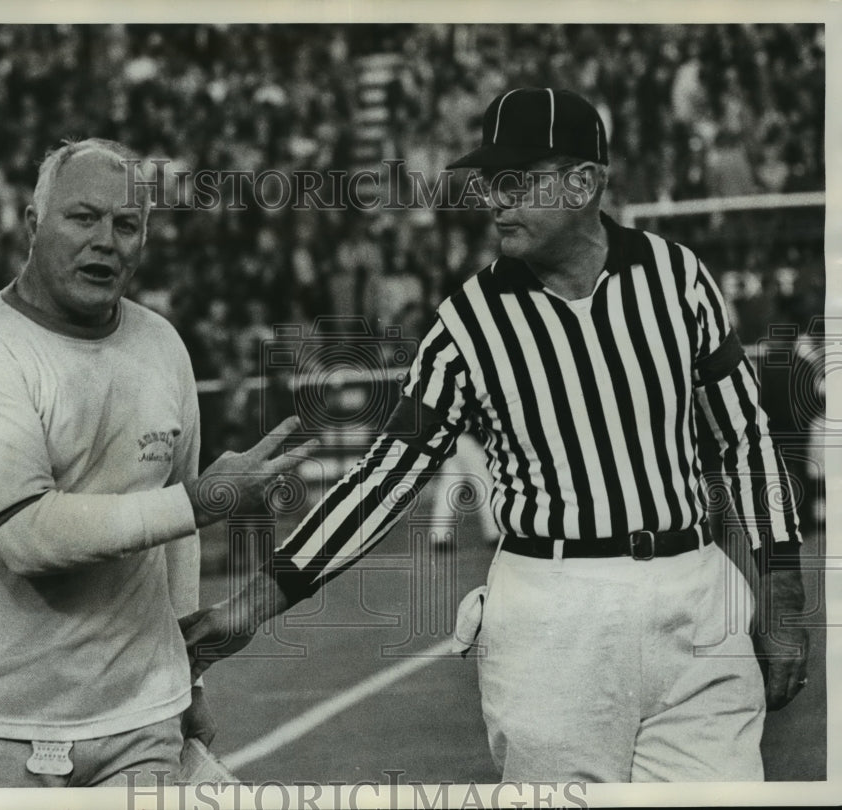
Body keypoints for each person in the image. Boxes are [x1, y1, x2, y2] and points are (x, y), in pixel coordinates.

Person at [180, 89, 810, 783]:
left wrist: (782, 594)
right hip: (552, 615)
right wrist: (249, 607)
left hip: (695, 597)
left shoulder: (677, 277)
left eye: (517, 181)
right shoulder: (467, 325)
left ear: (584, 183)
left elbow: (745, 438)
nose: (494, 200)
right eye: (489, 183)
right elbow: (385, 481)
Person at [0, 138, 313, 788]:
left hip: (137, 728)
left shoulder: (161, 346)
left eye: (127, 225)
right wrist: (197, 503)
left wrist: (188, 678)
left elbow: (176, 543)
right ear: (34, 226)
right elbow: (29, 537)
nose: (107, 240)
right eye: (83, 217)